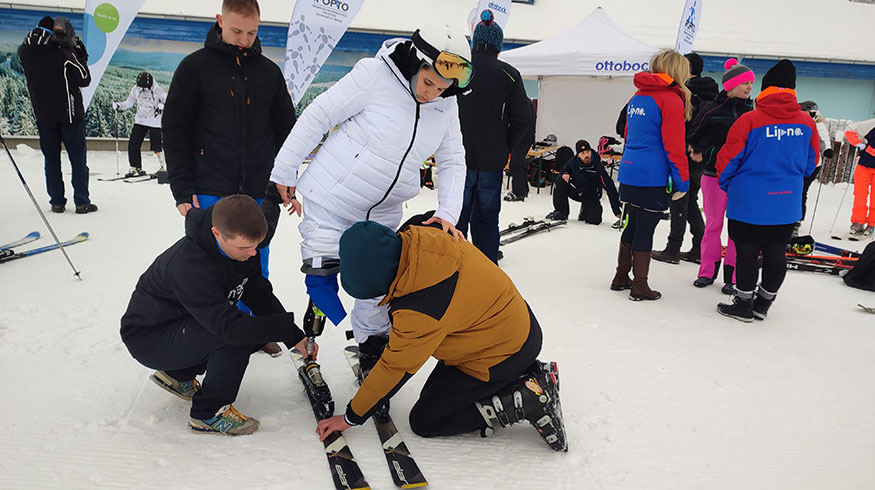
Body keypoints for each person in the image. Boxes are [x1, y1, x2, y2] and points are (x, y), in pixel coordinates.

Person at [269, 21, 471, 368]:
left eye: (441, 88)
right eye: (427, 83)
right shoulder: (374, 75)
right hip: (331, 200)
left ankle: (370, 348)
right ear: (415, 62)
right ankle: (311, 340)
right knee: (321, 281)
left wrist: (448, 212)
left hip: (382, 213)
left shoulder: (445, 105)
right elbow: (318, 115)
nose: (431, 93)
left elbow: (453, 159)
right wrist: (285, 170)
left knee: (377, 289)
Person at [312, 217, 566, 452]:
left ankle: (529, 397)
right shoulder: (421, 237)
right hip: (511, 326)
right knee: (435, 395)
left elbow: (395, 368)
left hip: (501, 353)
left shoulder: (421, 306)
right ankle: (519, 377)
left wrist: (350, 417)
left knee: (426, 420)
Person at [120, 195, 311, 435]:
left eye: (256, 246)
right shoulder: (190, 266)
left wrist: (295, 336)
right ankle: (208, 413)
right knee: (237, 337)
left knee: (248, 329)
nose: (253, 254)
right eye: (244, 247)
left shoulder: (243, 250)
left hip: (181, 323)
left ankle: (178, 375)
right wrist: (279, 328)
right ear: (216, 233)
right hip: (149, 337)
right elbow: (229, 328)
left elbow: (257, 293)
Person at [162, 0, 296, 278]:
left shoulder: (269, 73)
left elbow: (287, 131)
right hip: (209, 189)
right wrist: (182, 189)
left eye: (251, 33)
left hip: (258, 191)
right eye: (237, 31)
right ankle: (209, 323)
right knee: (208, 271)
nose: (244, 40)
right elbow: (175, 131)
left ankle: (250, 322)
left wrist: (287, 178)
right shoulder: (194, 68)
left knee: (254, 268)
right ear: (220, 21)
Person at [715, 59, 818, 321]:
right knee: (776, 251)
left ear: (766, 88)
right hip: (786, 201)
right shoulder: (807, 123)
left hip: (749, 198)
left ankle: (743, 304)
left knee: (747, 251)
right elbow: (812, 162)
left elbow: (727, 160)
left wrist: (728, 185)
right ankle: (763, 303)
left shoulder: (750, 120)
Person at [611, 50, 691, 301]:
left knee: (632, 224)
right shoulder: (671, 99)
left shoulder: (637, 97)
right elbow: (674, 146)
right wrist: (682, 181)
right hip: (652, 174)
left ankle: (621, 276)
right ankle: (640, 285)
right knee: (646, 228)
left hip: (630, 169)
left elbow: (627, 133)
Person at [456, 11, 531, 263]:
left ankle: (455, 267)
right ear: (498, 46)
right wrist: (507, 145)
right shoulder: (509, 74)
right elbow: (523, 117)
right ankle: (486, 268)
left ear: (474, 42)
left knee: (457, 217)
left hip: (457, 158)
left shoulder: (459, 69)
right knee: (487, 219)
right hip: (491, 160)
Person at [686, 59, 755, 293]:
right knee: (713, 225)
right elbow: (693, 137)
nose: (749, 87)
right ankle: (707, 271)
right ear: (731, 85)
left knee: (737, 228)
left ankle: (732, 277)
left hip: (741, 179)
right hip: (713, 175)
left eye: (751, 83)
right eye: (745, 82)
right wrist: (703, 153)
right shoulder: (712, 110)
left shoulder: (752, 112)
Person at [17, 15, 97, 214]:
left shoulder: (24, 51)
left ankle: (57, 202)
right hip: (69, 116)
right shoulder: (62, 53)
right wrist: (79, 55)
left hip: (43, 115)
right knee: (78, 160)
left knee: (51, 160)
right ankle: (82, 202)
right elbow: (84, 78)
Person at [651, 52, 718, 264]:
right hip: (700, 156)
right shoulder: (710, 93)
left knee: (680, 202)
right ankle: (699, 246)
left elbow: (684, 124)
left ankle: (673, 248)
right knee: (689, 202)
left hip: (685, 153)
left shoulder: (689, 94)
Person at [545, 139, 621, 224]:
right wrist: (565, 173)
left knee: (594, 221)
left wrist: (616, 210)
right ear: (578, 155)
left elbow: (609, 186)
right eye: (583, 153)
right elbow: (565, 169)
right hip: (578, 191)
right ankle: (561, 212)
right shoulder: (574, 162)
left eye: (588, 152)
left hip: (591, 194)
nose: (586, 155)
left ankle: (585, 210)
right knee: (559, 180)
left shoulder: (598, 166)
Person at [113, 72, 167, 178]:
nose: (143, 89)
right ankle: (135, 166)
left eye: (145, 87)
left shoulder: (158, 90)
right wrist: (119, 106)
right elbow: (129, 102)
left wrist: (162, 105)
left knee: (156, 145)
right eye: (141, 87)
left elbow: (169, 101)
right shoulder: (136, 89)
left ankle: (163, 167)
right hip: (141, 119)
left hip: (154, 120)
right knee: (133, 143)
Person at [796, 100, 834, 236]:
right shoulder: (796, 122)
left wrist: (827, 150)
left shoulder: (817, 125)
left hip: (811, 165)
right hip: (794, 164)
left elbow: (824, 139)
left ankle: (797, 221)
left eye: (804, 111)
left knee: (801, 192)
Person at [843, 118, 875, 237]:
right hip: (864, 165)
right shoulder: (871, 124)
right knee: (860, 194)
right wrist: (861, 145)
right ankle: (858, 222)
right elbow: (849, 131)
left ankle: (872, 224)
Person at [505, 98, 536, 203]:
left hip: (522, 138)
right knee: (520, 162)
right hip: (525, 137)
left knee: (515, 163)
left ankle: (518, 193)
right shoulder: (525, 101)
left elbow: (519, 121)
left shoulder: (520, 102)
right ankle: (523, 189)